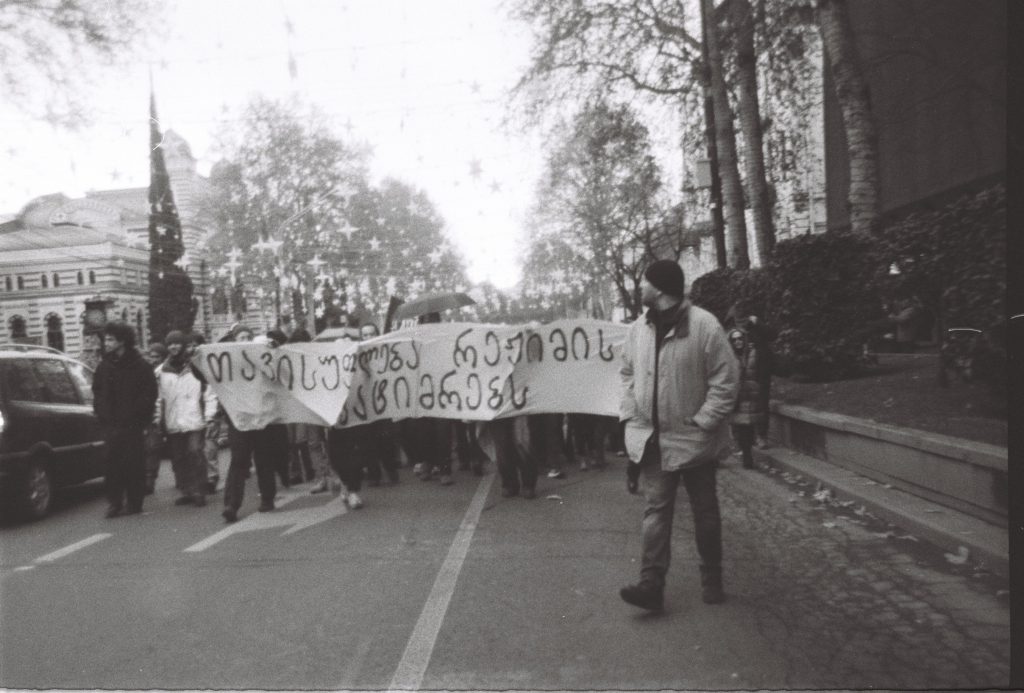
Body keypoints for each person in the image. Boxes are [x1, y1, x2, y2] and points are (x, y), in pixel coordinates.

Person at [618, 260, 739, 611]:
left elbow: (726, 379)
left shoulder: (704, 325)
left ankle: (712, 577)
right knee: (656, 511)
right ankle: (651, 586)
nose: (640, 287)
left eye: (645, 281)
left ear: (660, 288)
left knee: (705, 512)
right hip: (654, 439)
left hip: (695, 439)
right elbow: (626, 373)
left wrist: (705, 421)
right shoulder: (638, 329)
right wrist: (630, 414)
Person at [92, 321, 158, 518]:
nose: (107, 343)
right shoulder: (105, 366)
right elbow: (97, 392)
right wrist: (101, 412)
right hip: (111, 425)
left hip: (132, 424)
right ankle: (114, 502)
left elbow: (149, 394)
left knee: (133, 464)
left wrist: (137, 416)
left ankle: (134, 501)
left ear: (122, 341)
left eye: (111, 339)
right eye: (106, 339)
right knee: (111, 464)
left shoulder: (140, 366)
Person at [221, 325, 284, 522]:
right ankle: (231, 504)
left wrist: (274, 347)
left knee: (264, 458)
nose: (246, 339)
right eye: (242, 336)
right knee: (239, 459)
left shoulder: (262, 356)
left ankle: (267, 497)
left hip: (261, 416)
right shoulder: (228, 360)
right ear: (235, 340)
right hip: (239, 417)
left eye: (249, 336)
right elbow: (209, 372)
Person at [157, 330, 215, 507]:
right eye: (170, 344)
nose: (173, 347)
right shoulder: (161, 371)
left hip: (194, 419)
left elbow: (209, 393)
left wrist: (210, 415)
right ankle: (187, 490)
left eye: (176, 343)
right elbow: (159, 398)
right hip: (174, 421)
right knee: (179, 458)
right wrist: (158, 419)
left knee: (195, 453)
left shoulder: (197, 366)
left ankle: (199, 490)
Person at [726, 326, 767, 469]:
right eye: (734, 339)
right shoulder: (728, 357)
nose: (738, 342)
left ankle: (747, 453)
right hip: (737, 397)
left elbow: (761, 372)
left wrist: (757, 387)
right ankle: (746, 456)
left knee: (749, 427)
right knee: (741, 427)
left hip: (751, 395)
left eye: (740, 338)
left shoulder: (753, 353)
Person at [142, 342, 168, 495]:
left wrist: (158, 417)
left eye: (156, 357)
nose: (153, 359)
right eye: (151, 356)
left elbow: (160, 397)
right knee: (151, 449)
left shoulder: (163, 372)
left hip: (164, 413)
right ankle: (149, 480)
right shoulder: (147, 371)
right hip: (153, 415)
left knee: (154, 448)